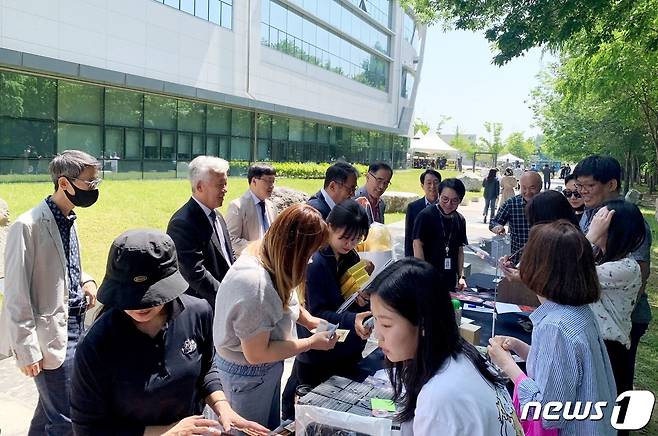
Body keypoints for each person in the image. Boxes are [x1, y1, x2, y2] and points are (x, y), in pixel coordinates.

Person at [70, 229, 268, 436]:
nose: (139, 306)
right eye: (130, 296)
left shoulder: (198, 313)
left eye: (150, 296)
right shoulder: (97, 344)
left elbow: (206, 368)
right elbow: (87, 427)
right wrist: (166, 432)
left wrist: (223, 407)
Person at [0, 150, 100, 435]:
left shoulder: (69, 217)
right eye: (89, 182)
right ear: (64, 183)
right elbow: (16, 293)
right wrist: (27, 350)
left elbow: (66, 264)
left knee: (48, 410)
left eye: (96, 181)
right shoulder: (26, 226)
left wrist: (86, 279)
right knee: (67, 418)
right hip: (50, 337)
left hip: (77, 325)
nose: (94, 188)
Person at [213, 204, 339, 429]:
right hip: (247, 378)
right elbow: (257, 353)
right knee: (251, 432)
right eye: (309, 253)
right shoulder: (256, 286)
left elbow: (284, 296)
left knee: (267, 429)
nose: (310, 261)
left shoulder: (269, 255)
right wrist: (310, 343)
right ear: (294, 250)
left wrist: (308, 320)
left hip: (260, 373)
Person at [488, 221, 616, 436]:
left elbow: (548, 412)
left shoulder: (555, 327)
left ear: (539, 269)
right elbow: (561, 373)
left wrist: (507, 365)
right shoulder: (578, 313)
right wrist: (523, 348)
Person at [367, 258, 521, 436]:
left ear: (423, 323)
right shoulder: (462, 355)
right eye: (375, 319)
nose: (377, 333)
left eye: (386, 324)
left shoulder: (439, 398)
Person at [283, 200, 373, 419]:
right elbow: (317, 314)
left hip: (345, 348)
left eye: (356, 239)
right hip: (319, 353)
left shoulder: (351, 257)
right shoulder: (317, 262)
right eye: (344, 237)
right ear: (329, 226)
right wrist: (353, 318)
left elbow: (357, 294)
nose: (349, 244)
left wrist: (364, 300)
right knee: (311, 415)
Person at [574, 155, 652, 390]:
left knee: (617, 386)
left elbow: (640, 274)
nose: (582, 192)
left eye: (590, 186)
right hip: (597, 316)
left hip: (621, 321)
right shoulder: (591, 213)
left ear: (611, 185)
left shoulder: (625, 219)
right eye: (579, 186)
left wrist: (621, 321)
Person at [585, 200, 645, 397]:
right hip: (597, 344)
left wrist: (590, 237)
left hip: (609, 348)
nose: (594, 223)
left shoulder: (625, 268)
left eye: (600, 220)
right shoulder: (598, 257)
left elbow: (569, 268)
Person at [167, 156, 234, 310]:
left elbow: (228, 256)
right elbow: (195, 273)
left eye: (225, 183)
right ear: (199, 187)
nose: (225, 189)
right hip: (205, 308)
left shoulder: (217, 216)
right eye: (220, 185)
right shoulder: (182, 223)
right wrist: (226, 298)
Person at [412, 178, 468, 291]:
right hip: (428, 277)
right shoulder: (425, 216)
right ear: (439, 195)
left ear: (460, 200)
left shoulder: (460, 220)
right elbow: (417, 245)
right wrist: (423, 273)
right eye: (445, 199)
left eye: (454, 200)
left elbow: (460, 250)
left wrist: (461, 276)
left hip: (450, 279)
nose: (449, 204)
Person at [490, 171, 542, 262]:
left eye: (532, 188)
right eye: (524, 188)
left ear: (540, 186)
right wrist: (497, 228)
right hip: (517, 259)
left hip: (543, 259)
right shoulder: (512, 203)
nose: (528, 192)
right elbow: (494, 222)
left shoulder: (548, 203)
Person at [225, 163, 277, 256]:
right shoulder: (237, 206)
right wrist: (260, 248)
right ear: (254, 181)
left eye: (273, 181)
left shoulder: (272, 207)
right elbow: (230, 240)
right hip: (248, 263)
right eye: (268, 181)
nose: (271, 185)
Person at [404, 169, 442, 257]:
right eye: (428, 183)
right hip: (419, 257)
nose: (432, 186)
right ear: (422, 186)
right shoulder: (413, 207)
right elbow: (409, 238)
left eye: (436, 182)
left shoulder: (446, 207)